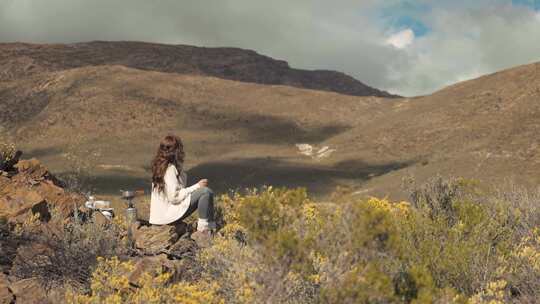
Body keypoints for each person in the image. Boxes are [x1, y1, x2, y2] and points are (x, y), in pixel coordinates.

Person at [149, 135, 216, 238]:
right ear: (176, 151)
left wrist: (181, 174)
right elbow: (174, 198)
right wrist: (197, 186)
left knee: (205, 192)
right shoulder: (169, 169)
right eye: (180, 149)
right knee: (206, 192)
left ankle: (209, 228)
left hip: (159, 218)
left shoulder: (162, 168)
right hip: (168, 216)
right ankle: (204, 230)